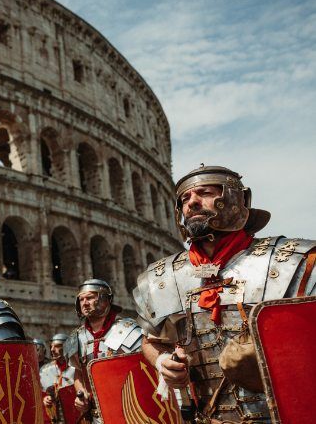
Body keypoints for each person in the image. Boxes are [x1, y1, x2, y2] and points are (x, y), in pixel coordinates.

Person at [134, 165, 316, 423]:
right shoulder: (162, 278)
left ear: (236, 199)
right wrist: (163, 361)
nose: (192, 202)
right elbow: (151, 340)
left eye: (205, 193)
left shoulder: (293, 262)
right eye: (185, 199)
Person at [69, 279, 142, 422]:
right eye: (81, 299)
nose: (84, 303)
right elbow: (78, 372)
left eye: (90, 297)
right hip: (95, 416)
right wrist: (81, 393)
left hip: (128, 412)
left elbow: (144, 371)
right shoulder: (76, 337)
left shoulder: (127, 329)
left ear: (104, 299)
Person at [40, 333, 75, 421]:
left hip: (74, 416)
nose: (52, 350)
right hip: (55, 418)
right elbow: (40, 395)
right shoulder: (45, 370)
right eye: (51, 346)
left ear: (67, 347)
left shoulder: (76, 369)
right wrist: (45, 399)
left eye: (57, 346)